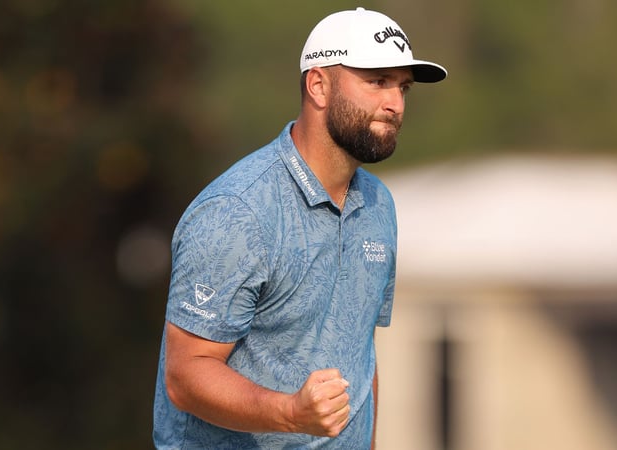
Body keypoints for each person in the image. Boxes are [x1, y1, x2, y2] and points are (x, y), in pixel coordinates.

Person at [153, 7, 446, 449]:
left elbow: (360, 354)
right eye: (377, 81)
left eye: (402, 87)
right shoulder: (237, 210)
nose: (395, 104)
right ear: (318, 85)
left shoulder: (378, 205)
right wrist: (289, 413)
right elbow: (186, 374)